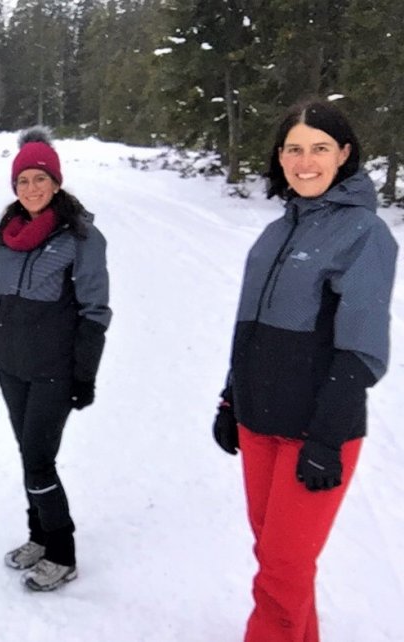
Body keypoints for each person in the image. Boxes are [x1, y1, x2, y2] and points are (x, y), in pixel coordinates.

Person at [212, 99, 397, 641]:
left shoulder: (364, 233)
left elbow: (362, 344)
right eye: (294, 148)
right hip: (258, 421)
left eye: (320, 148)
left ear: (344, 154)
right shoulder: (275, 232)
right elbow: (248, 328)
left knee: (282, 569)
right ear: (280, 157)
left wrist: (327, 435)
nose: (305, 160)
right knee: (276, 559)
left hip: (317, 428)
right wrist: (230, 400)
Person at [0, 127, 111, 592]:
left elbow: (95, 311)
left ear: (56, 182)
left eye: (40, 179)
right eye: (23, 181)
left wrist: (84, 373)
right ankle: (38, 535)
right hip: (13, 366)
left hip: (54, 369)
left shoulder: (80, 238)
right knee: (28, 454)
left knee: (38, 460)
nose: (31, 188)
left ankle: (63, 552)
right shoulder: (7, 235)